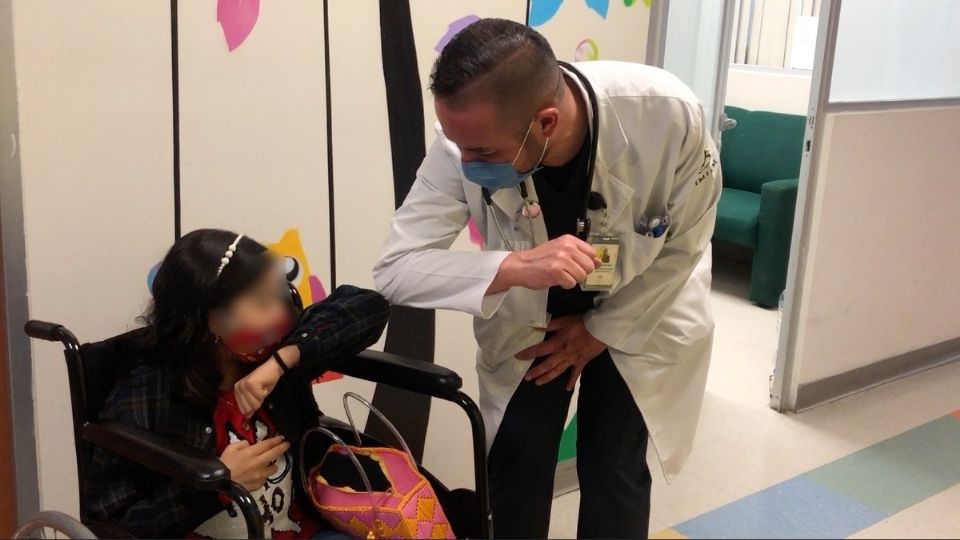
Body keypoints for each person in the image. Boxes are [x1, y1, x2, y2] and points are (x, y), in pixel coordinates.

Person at [373, 19, 720, 539]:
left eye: (484, 154)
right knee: (517, 457)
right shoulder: (464, 140)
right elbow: (395, 270)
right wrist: (513, 267)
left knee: (613, 464)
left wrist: (599, 331)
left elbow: (686, 241)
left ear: (547, 122)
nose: (467, 165)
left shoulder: (666, 116)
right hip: (536, 320)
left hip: (642, 304)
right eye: (459, 147)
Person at [83, 229, 390, 538]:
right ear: (210, 318)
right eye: (262, 302)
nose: (280, 313)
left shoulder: (276, 355)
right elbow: (112, 522)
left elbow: (369, 307)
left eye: (280, 295)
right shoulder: (147, 394)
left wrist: (283, 360)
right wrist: (216, 484)